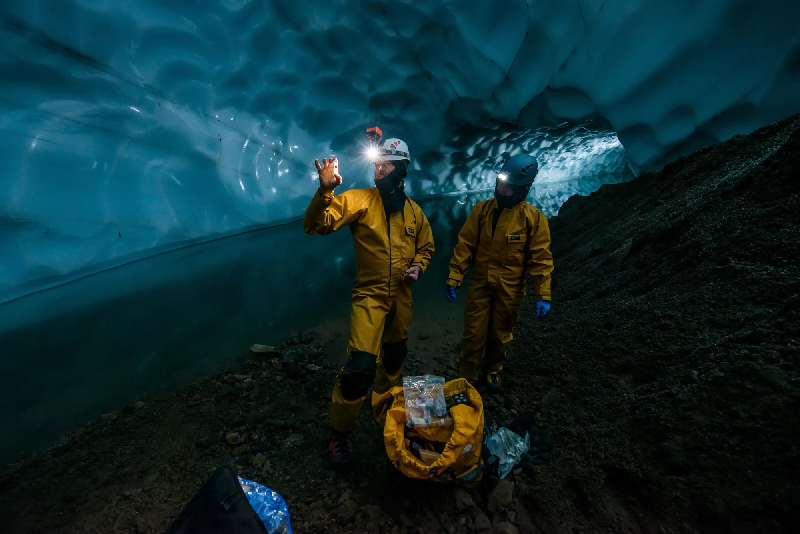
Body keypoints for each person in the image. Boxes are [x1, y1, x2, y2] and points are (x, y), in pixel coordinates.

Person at [303, 135, 435, 470]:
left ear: (400, 169)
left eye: (386, 165)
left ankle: (384, 413)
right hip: (370, 297)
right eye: (376, 164)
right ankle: (340, 431)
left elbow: (427, 247)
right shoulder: (360, 201)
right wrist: (325, 192)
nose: (378, 170)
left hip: (401, 300)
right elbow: (315, 225)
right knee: (359, 369)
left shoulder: (414, 213)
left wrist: (419, 266)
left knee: (393, 360)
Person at [445, 154, 553, 393]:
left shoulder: (533, 219)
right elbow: (465, 245)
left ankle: (493, 370)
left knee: (501, 333)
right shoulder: (482, 211)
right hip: (481, 284)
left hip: (510, 288)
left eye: (507, 186)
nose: (501, 189)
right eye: (500, 183)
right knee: (473, 333)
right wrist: (455, 277)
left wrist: (542, 294)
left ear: (523, 189)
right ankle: (468, 376)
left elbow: (540, 259)